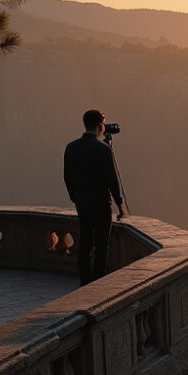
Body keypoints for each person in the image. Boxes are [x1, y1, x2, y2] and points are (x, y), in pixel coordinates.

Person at [64, 109, 125, 285]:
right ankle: (97, 283)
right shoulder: (103, 150)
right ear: (100, 125)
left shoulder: (71, 147)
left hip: (82, 203)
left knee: (85, 243)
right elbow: (111, 179)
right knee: (101, 246)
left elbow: (67, 177)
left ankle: (84, 281)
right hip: (101, 203)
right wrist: (119, 204)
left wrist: (75, 197)